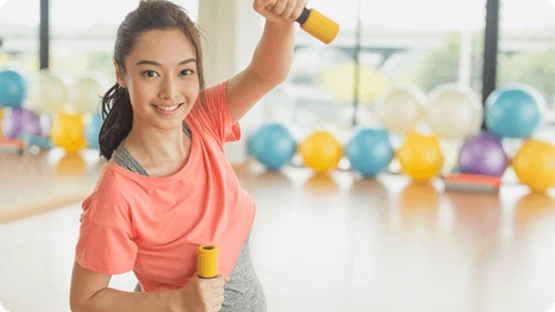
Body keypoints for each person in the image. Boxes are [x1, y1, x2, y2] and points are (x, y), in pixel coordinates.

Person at [69, 0, 305, 311]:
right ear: (121, 74)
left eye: (185, 71)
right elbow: (85, 300)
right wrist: (177, 300)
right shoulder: (118, 193)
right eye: (151, 73)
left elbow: (266, 73)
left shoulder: (202, 119)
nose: (171, 91)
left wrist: (280, 23)